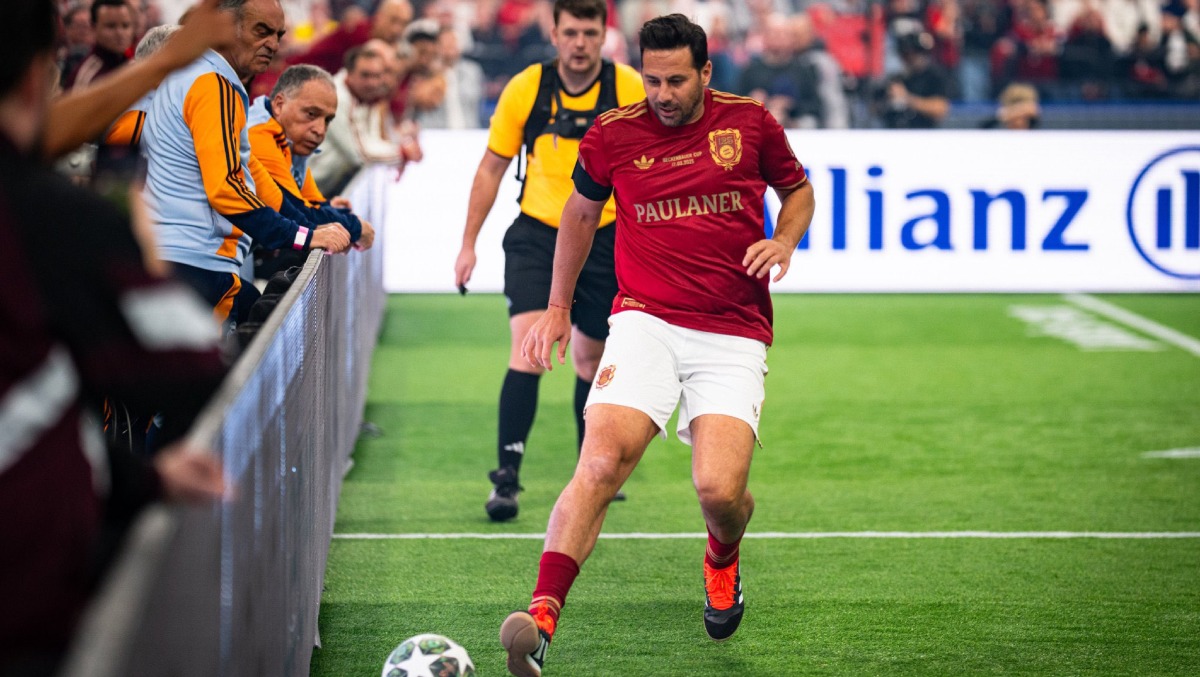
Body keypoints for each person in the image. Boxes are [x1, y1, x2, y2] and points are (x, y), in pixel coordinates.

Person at [500, 13, 814, 677]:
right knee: (600, 461)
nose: (663, 93)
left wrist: (785, 240)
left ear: (705, 72)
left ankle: (722, 557)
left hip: (733, 328)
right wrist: (558, 307)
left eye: (677, 80)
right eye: (652, 79)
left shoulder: (750, 122)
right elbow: (580, 214)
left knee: (718, 492)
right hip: (644, 318)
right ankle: (542, 617)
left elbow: (798, 190)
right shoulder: (613, 134)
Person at [0, 2, 230, 673]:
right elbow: (190, 365)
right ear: (41, 75)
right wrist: (140, 239)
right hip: (28, 597)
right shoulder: (53, 219)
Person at [453, 0, 645, 523]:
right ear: (554, 33)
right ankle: (506, 481)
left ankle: (594, 470)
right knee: (529, 348)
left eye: (590, 32)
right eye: (571, 33)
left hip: (605, 237)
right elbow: (492, 167)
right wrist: (469, 242)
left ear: (604, 34)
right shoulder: (527, 87)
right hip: (537, 234)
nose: (581, 43)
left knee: (590, 359)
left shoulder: (627, 87)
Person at [141, 0, 352, 328]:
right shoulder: (215, 84)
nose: (273, 43)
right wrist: (302, 236)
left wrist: (305, 229)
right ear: (225, 27)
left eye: (278, 34)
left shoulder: (191, 77)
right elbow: (227, 188)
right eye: (261, 31)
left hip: (175, 257)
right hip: (196, 263)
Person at [247, 63, 376, 266]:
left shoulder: (292, 143)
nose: (320, 130)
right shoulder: (259, 135)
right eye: (311, 114)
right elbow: (297, 216)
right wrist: (355, 228)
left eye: (327, 120)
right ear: (279, 105)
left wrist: (339, 216)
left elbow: (314, 204)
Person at [63, 0, 136, 90]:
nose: (120, 33)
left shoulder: (136, 66)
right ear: (94, 28)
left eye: (125, 25)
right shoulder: (86, 77)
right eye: (111, 26)